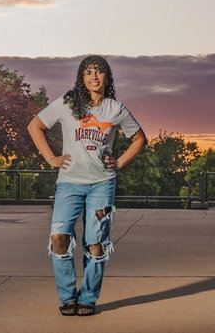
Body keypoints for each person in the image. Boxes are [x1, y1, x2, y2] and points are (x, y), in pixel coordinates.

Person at [28, 55, 147, 317]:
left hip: (101, 185)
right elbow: (35, 125)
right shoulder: (67, 104)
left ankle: (88, 298)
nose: (94, 77)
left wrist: (119, 162)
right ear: (81, 78)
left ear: (107, 77)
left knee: (95, 243)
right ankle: (68, 297)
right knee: (59, 239)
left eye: (99, 72)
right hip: (69, 183)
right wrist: (51, 158)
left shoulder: (115, 109)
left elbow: (139, 139)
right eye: (88, 72)